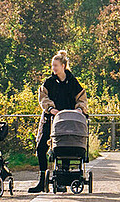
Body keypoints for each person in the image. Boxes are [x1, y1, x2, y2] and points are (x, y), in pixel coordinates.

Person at [30, 50, 88, 193]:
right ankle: (42, 181)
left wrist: (79, 109)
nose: (53, 68)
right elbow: (43, 98)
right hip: (51, 118)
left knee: (66, 146)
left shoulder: (73, 82)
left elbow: (82, 99)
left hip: (68, 119)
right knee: (41, 147)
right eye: (52, 65)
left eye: (56, 65)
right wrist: (51, 108)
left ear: (63, 66)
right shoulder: (49, 82)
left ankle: (62, 179)